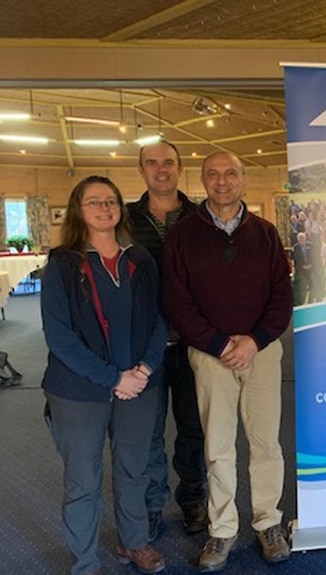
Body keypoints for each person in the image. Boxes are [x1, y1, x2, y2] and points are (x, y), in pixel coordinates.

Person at [163, 151, 293, 572]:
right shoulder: (182, 235)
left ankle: (268, 522)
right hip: (210, 356)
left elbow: (281, 298)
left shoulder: (267, 234)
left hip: (262, 352)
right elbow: (177, 303)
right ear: (203, 180)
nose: (223, 181)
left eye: (231, 173)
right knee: (218, 448)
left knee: (265, 444)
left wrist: (253, 341)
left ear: (244, 180)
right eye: (214, 175)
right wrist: (220, 345)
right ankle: (222, 530)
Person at [41, 175, 168, 574]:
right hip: (79, 391)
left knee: (134, 469)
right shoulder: (63, 263)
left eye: (110, 201)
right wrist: (114, 378)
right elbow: (59, 337)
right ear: (79, 210)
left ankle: (135, 543)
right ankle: (86, 561)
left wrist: (145, 368)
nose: (104, 208)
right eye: (94, 202)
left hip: (139, 385)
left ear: (120, 208)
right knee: (83, 480)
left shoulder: (139, 260)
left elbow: (159, 320)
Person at [127, 140, 208, 541]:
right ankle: (152, 505)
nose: (161, 169)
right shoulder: (124, 220)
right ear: (141, 169)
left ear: (180, 168)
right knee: (149, 432)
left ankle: (193, 499)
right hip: (145, 348)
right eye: (152, 163)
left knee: (194, 429)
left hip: (195, 343)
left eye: (168, 162)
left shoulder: (201, 216)